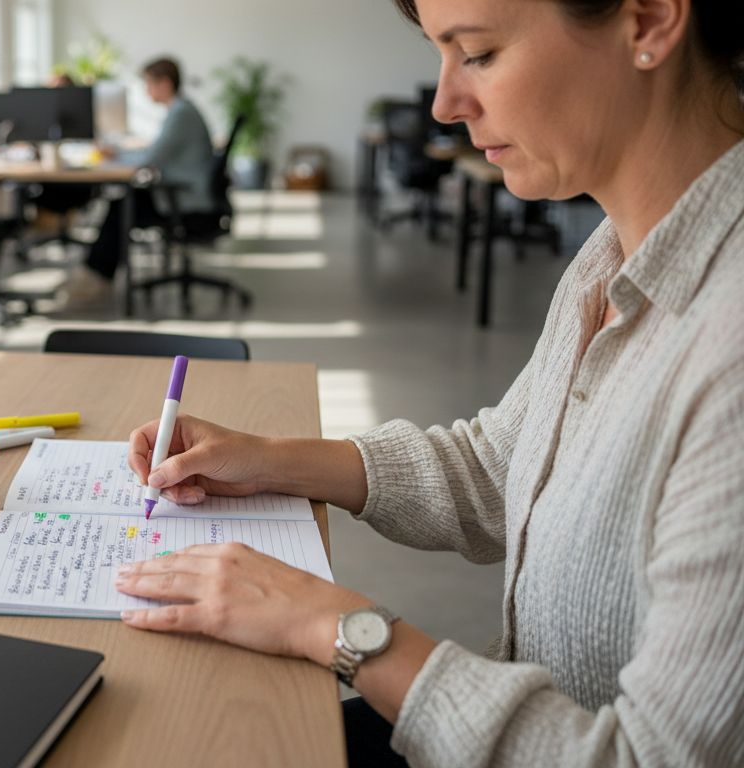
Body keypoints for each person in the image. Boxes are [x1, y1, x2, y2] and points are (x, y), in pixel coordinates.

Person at [114, 0, 744, 765]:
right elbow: (502, 468)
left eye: (475, 53)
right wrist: (269, 458)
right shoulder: (611, 254)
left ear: (646, 22)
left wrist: (340, 628)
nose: (445, 103)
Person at [72, 57, 215, 293]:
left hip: (183, 199)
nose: (146, 91)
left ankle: (95, 278)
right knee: (122, 204)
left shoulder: (181, 114)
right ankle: (98, 275)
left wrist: (115, 155)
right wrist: (118, 153)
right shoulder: (181, 110)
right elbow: (155, 153)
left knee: (120, 208)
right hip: (179, 192)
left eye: (149, 84)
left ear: (165, 84)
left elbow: (150, 159)